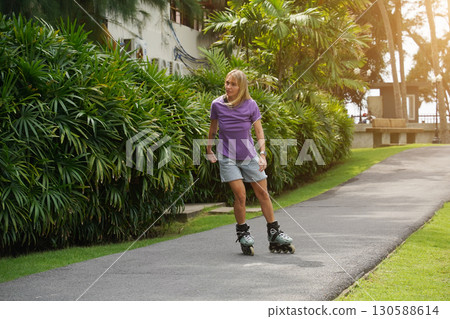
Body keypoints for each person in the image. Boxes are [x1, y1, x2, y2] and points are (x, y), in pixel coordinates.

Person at [206, 69, 294, 255]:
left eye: (233, 84)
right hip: (227, 157)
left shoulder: (251, 105)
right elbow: (213, 129)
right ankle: (243, 232)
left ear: (241, 87)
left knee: (263, 194)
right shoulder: (217, 104)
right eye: (227, 83)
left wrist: (262, 154)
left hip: (249, 155)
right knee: (240, 195)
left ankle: (274, 232)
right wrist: (208, 150)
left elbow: (259, 131)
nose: (228, 87)